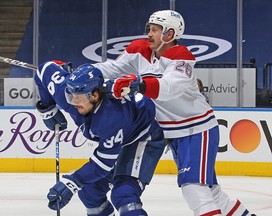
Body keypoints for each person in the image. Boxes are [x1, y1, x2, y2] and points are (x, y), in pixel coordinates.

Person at [93, 10, 255, 216]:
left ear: (169, 34)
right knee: (212, 193)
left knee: (194, 189)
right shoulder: (139, 51)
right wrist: (85, 74)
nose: (149, 34)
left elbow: (169, 88)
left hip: (195, 129)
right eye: (149, 29)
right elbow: (112, 68)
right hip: (170, 133)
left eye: (154, 30)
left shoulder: (181, 56)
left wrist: (139, 85)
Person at [34, 60, 166, 216]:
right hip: (121, 136)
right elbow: (43, 70)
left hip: (143, 135)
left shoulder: (111, 117)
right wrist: (48, 108)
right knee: (90, 192)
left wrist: (71, 182)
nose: (73, 102)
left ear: (94, 96)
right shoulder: (67, 91)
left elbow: (102, 164)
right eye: (71, 96)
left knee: (124, 195)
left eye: (78, 97)